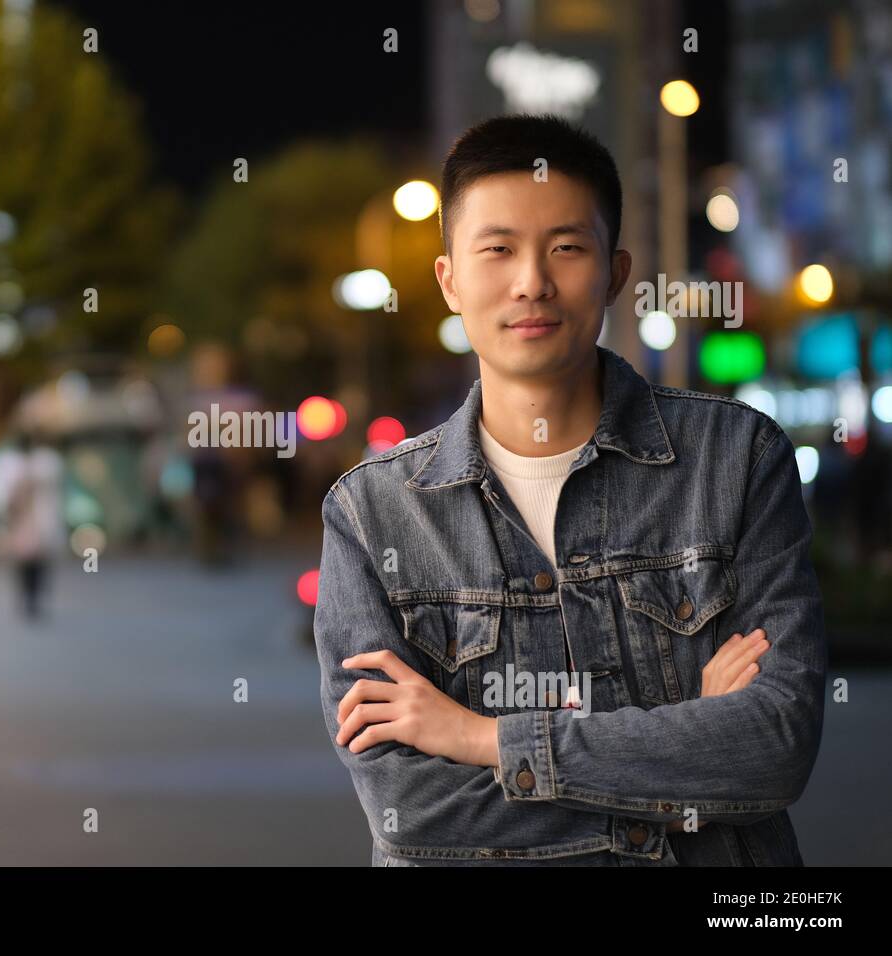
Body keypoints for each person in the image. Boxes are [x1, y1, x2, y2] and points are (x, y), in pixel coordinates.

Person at [313, 114, 826, 866]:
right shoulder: (374, 512)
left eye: (566, 248)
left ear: (615, 273)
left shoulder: (736, 459)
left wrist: (476, 736)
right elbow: (412, 811)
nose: (532, 282)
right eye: (498, 249)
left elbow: (774, 746)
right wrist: (682, 787)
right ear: (449, 280)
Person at [1, 431, 65, 621]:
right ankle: (30, 598)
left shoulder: (43, 465)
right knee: (29, 563)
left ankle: (32, 597)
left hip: (35, 523)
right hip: (27, 524)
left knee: (33, 563)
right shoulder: (28, 466)